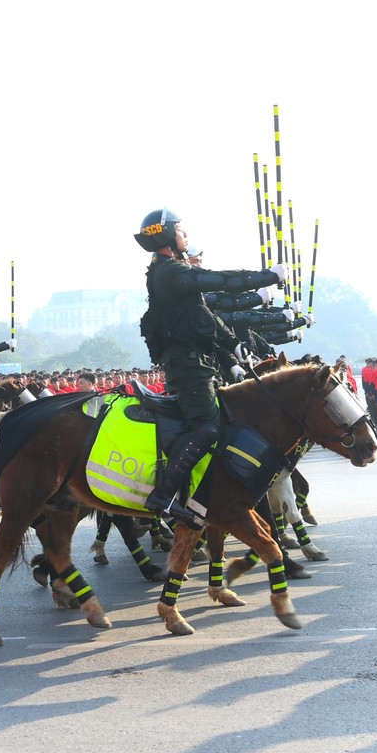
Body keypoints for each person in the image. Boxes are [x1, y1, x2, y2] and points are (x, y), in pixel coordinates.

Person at [135, 208, 283, 527]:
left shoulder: (170, 270)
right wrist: (267, 276)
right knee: (208, 427)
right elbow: (221, 282)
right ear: (168, 235)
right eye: (181, 229)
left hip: (198, 361)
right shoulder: (170, 271)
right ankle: (164, 495)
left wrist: (233, 350)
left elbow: (207, 320)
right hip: (188, 365)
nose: (186, 235)